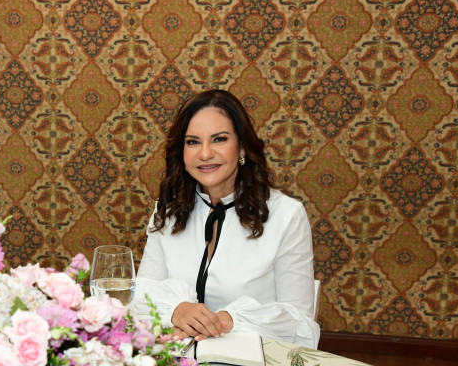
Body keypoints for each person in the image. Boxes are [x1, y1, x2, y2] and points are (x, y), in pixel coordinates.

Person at [133, 89, 319, 348]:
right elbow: (140, 294)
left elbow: (300, 323)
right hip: (176, 364)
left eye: (219, 139)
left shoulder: (286, 215)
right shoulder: (168, 210)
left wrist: (231, 319)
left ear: (242, 146)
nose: (205, 153)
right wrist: (176, 309)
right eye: (193, 142)